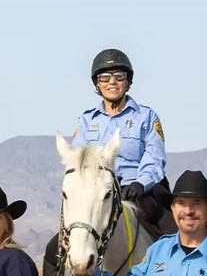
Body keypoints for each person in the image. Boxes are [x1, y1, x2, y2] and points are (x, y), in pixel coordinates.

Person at [71, 49, 173, 228]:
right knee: (54, 248)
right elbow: (77, 161)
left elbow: (155, 157)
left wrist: (141, 183)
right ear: (97, 83)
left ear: (128, 81)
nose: (112, 81)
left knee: (176, 231)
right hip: (97, 193)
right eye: (104, 77)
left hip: (137, 192)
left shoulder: (146, 116)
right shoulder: (86, 120)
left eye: (119, 76)